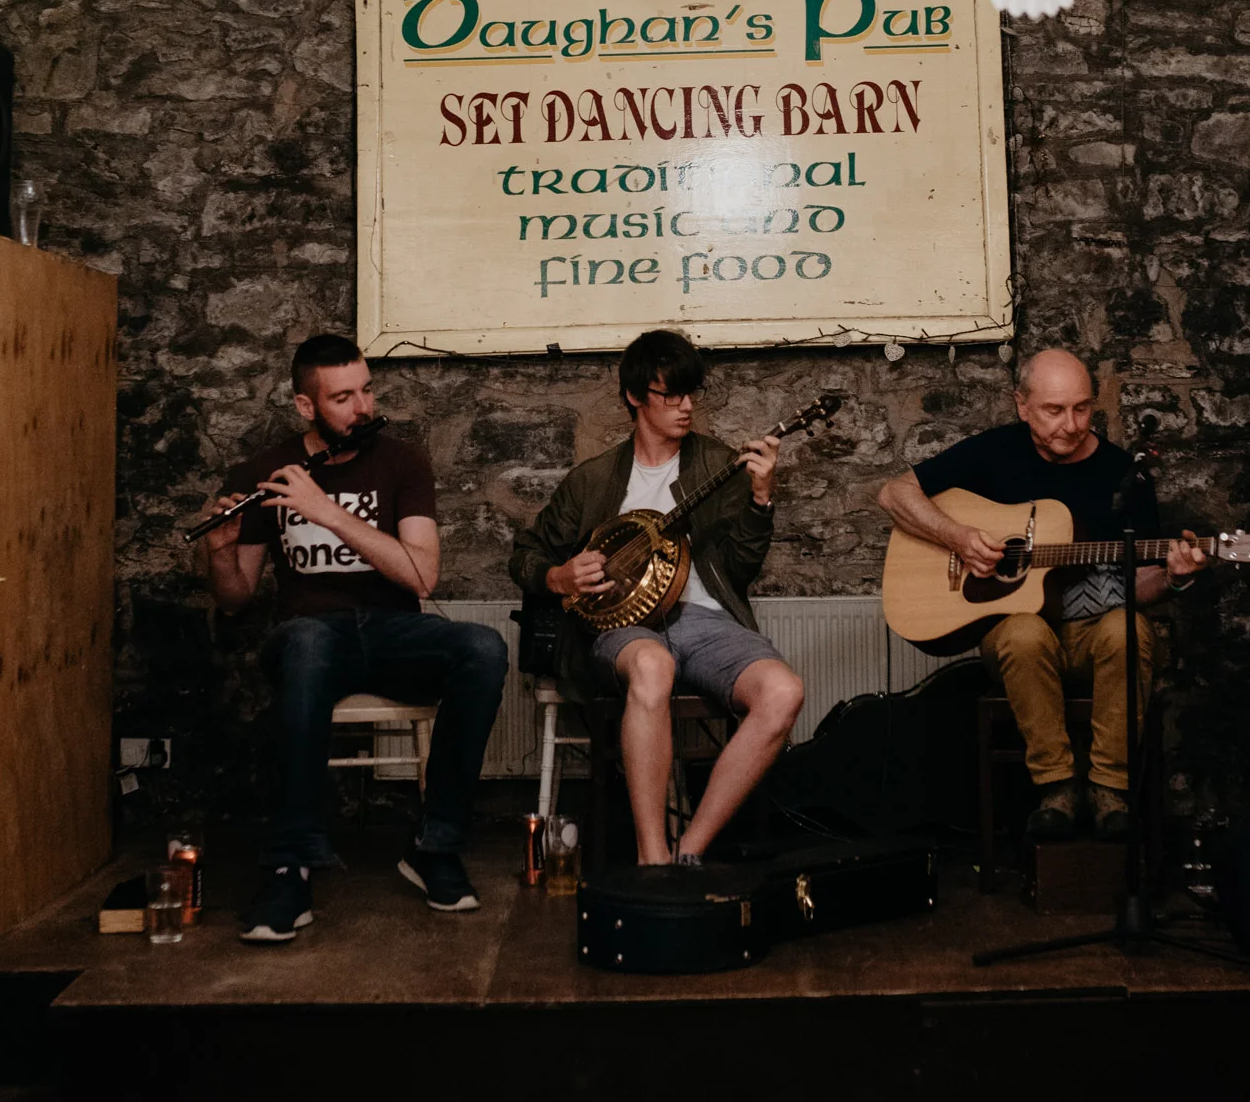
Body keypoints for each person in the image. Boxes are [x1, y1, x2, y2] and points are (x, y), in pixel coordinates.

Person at [199, 333, 507, 940]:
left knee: (483, 647)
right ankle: (290, 867)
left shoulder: (402, 461)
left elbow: (423, 574)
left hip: (396, 631)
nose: (362, 407)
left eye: (366, 390)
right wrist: (219, 553)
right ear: (306, 406)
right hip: (311, 637)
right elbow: (236, 599)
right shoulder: (265, 470)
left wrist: (328, 513)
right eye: (343, 397)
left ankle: (433, 846)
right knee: (309, 643)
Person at [877, 348, 1207, 841]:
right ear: (1022, 405)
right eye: (1054, 410)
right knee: (1025, 633)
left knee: (1129, 627)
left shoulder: (1125, 474)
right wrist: (957, 537)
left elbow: (1139, 585)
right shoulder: (993, 452)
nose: (1071, 425)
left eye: (1082, 408)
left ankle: (1109, 791)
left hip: (1097, 633)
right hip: (1017, 640)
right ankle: (1056, 788)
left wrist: (1176, 577)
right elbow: (893, 494)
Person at [509, 330, 804, 867]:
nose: (686, 407)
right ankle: (652, 860)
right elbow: (525, 555)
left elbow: (739, 569)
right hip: (623, 629)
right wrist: (561, 576)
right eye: (671, 395)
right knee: (652, 664)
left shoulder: (718, 465)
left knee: (783, 693)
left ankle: (690, 849)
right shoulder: (594, 480)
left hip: (706, 621)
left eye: (692, 394)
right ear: (635, 397)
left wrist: (761, 499)